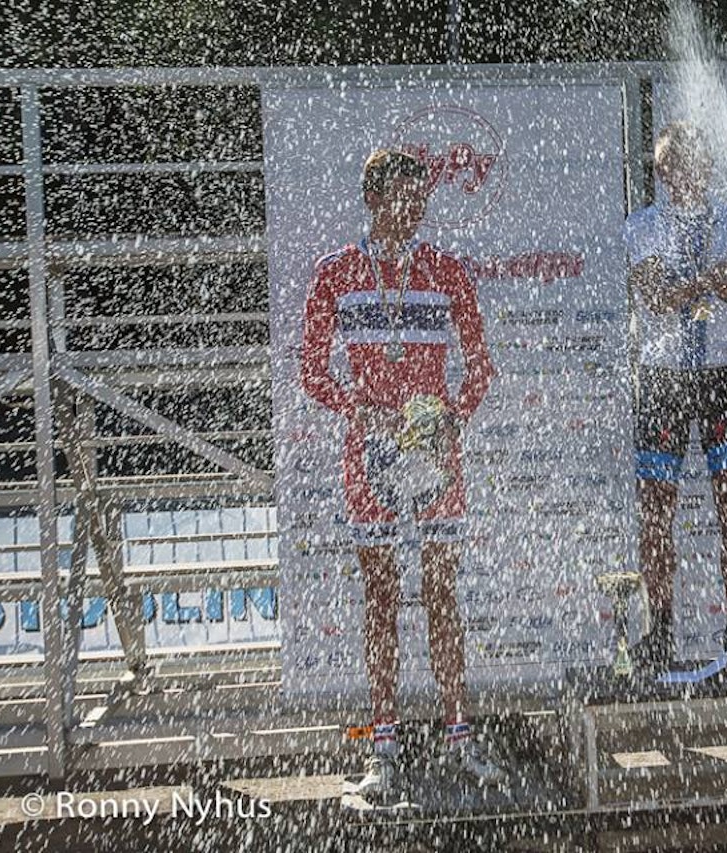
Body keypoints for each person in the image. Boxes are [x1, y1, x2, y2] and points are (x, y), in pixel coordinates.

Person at [300, 148, 499, 802]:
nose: (416, 210)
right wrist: (360, 408)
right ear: (374, 199)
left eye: (422, 199)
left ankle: (460, 736)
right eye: (405, 199)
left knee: (441, 592)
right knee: (381, 597)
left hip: (434, 452)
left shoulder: (446, 269)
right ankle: (382, 745)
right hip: (369, 451)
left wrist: (452, 418)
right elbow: (312, 373)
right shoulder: (335, 272)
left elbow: (480, 368)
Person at [623, 122, 727, 676]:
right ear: (661, 172)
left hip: (723, 377)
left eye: (693, 161)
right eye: (671, 164)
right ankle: (660, 631)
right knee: (656, 511)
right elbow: (659, 298)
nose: (683, 172)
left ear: (708, 166)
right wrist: (722, 272)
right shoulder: (642, 225)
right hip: (662, 378)